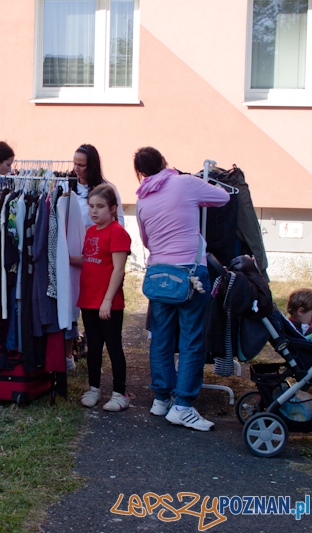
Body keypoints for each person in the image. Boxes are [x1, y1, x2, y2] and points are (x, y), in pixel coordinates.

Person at [135, 146, 229, 431]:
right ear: (164, 161)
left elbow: (147, 240)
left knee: (160, 338)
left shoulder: (142, 200)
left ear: (140, 172)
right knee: (191, 340)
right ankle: (183, 405)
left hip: (159, 273)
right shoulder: (185, 183)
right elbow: (223, 197)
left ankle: (161, 398)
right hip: (191, 273)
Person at [72, 184, 131, 411]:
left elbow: (118, 269)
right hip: (88, 300)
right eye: (91, 207)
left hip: (108, 303)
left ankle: (120, 393)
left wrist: (107, 300)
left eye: (100, 207)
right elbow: (88, 259)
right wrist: (64, 257)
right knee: (94, 346)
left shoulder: (117, 232)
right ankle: (94, 388)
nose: (94, 211)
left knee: (113, 346)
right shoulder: (90, 232)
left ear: (113, 208)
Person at [72, 144, 125, 229]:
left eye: (81, 165)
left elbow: (119, 221)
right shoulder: (65, 187)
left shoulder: (108, 188)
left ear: (92, 166)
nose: (76, 168)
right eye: (74, 164)